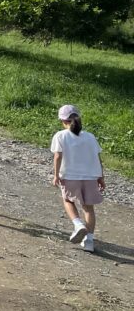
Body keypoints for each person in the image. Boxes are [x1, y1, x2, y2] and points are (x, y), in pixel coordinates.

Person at [51, 104, 105, 253]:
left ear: (62, 120)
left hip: (70, 176)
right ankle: (89, 241)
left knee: (68, 200)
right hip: (90, 176)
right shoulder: (90, 137)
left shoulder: (60, 135)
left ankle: (78, 224)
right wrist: (101, 177)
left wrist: (56, 175)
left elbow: (58, 156)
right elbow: (97, 158)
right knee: (88, 208)